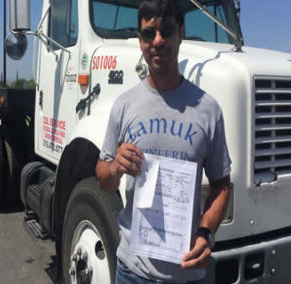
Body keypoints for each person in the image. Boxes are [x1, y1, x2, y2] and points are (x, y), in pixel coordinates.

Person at [95, 0, 232, 283]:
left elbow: (221, 184)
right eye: (148, 33)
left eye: (166, 30)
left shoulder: (209, 109)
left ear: (180, 32)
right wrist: (116, 167)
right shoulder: (124, 105)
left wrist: (206, 233)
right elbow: (103, 180)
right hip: (132, 271)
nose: (158, 41)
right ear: (140, 40)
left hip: (187, 272)